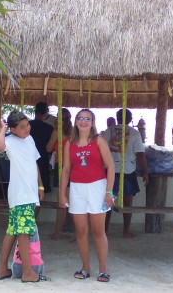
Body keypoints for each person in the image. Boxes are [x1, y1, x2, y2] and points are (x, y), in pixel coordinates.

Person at [59, 109, 115, 282]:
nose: (83, 121)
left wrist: (108, 192)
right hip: (77, 189)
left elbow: (111, 167)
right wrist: (62, 193)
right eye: (80, 118)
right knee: (81, 231)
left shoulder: (99, 141)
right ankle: (85, 268)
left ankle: (103, 270)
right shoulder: (69, 142)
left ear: (92, 122)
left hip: (97, 188)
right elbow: (66, 169)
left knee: (98, 231)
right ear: (76, 122)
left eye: (87, 119)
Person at [0, 110, 47, 283]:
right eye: (22, 127)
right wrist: (3, 129)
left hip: (28, 193)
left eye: (27, 125)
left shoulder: (29, 139)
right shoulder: (9, 141)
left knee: (13, 231)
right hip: (21, 194)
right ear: (13, 129)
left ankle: (2, 269)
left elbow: (35, 163)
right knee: (23, 232)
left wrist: (40, 185)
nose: (27, 129)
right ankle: (27, 272)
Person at [102, 109, 148, 238]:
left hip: (110, 169)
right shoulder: (134, 133)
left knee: (107, 202)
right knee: (128, 202)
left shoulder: (108, 131)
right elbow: (140, 154)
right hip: (127, 169)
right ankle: (126, 230)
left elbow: (100, 149)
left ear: (117, 118)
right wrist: (145, 171)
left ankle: (105, 231)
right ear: (130, 119)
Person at [46, 108, 73, 240]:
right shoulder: (74, 132)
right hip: (74, 167)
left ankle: (57, 232)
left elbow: (48, 148)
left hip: (62, 167)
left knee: (61, 201)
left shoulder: (57, 131)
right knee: (73, 201)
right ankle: (79, 233)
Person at [30, 102, 53, 194]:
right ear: (45, 113)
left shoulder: (27, 126)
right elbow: (50, 148)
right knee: (41, 190)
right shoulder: (48, 128)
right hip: (42, 159)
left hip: (28, 159)